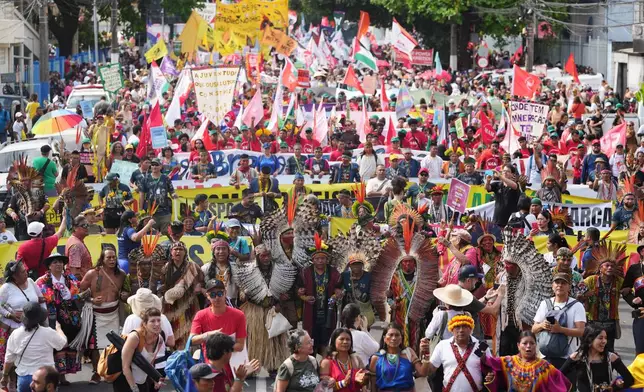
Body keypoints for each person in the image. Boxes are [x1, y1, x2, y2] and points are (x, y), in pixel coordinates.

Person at [79, 245, 127, 384]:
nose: (112, 260)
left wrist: (125, 294)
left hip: (114, 313)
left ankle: (111, 371)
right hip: (96, 314)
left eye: (114, 257)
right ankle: (96, 373)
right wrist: (92, 299)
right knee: (95, 346)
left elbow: (126, 291)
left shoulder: (121, 274)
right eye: (109, 257)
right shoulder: (92, 274)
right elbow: (79, 293)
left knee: (114, 344)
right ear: (102, 259)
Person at [34, 253, 82, 385]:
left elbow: (77, 292)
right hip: (53, 317)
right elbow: (40, 299)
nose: (58, 264)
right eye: (55, 262)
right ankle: (53, 377)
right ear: (49, 266)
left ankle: (63, 376)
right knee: (55, 345)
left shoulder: (69, 277)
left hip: (71, 317)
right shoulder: (42, 281)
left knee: (68, 344)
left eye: (60, 262)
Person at [0, 303, 66, 392]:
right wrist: (58, 329)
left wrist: (5, 376)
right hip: (45, 379)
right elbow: (62, 343)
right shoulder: (48, 332)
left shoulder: (15, 334)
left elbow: (9, 359)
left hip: (24, 377)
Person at [0, 260, 46, 387]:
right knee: (13, 355)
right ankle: (12, 383)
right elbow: (0, 306)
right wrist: (10, 315)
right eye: (23, 272)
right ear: (15, 276)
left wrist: (43, 315)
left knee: (30, 355)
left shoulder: (31, 282)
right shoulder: (6, 288)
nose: (27, 273)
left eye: (26, 270)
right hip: (12, 327)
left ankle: (33, 383)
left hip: (33, 325)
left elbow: (41, 299)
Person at [482, 331, 572, 392]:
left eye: (532, 343)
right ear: (518, 345)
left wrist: (571, 361)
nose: (528, 346)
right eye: (525, 343)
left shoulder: (544, 367)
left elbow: (560, 381)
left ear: (536, 345)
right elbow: (490, 362)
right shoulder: (508, 362)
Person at [578, 241, 626, 353]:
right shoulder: (591, 280)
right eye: (607, 265)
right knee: (589, 350)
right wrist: (584, 295)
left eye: (612, 266)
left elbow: (629, 289)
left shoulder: (619, 281)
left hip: (611, 322)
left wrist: (629, 292)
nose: (610, 268)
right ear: (600, 268)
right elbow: (577, 292)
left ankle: (607, 370)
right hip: (593, 321)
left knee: (608, 352)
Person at [532, 273, 586, 369]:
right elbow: (533, 329)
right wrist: (542, 325)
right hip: (545, 357)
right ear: (552, 286)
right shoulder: (545, 304)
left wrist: (560, 329)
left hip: (568, 358)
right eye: (557, 282)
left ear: (569, 287)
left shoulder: (577, 306)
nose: (559, 285)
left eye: (563, 283)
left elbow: (581, 332)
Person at [298, 236, 341, 356]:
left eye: (323, 258)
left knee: (327, 340)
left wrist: (336, 294)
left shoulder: (334, 272)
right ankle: (311, 364)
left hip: (328, 311)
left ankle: (325, 367)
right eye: (317, 258)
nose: (320, 261)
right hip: (311, 312)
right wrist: (304, 297)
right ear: (313, 259)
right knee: (310, 339)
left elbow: (339, 288)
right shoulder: (305, 272)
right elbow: (298, 290)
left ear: (327, 259)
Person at [560, 324, 635, 391]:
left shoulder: (611, 358)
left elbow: (629, 380)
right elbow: (558, 376)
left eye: (605, 338)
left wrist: (616, 386)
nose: (604, 341)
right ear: (590, 339)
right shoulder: (577, 357)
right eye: (600, 338)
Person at [426, 314, 490, 392]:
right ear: (452, 329)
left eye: (465, 326)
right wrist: (424, 354)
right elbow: (430, 369)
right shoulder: (442, 345)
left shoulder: (481, 346)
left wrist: (490, 374)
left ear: (470, 329)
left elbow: (491, 369)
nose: (461, 330)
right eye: (457, 327)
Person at [160, 241, 204, 349]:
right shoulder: (166, 268)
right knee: (173, 330)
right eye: (175, 249)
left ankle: (188, 353)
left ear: (185, 253)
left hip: (189, 303)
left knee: (188, 331)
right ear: (171, 252)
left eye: (181, 249)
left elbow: (202, 281)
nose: (178, 251)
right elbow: (162, 284)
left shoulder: (192, 266)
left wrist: (198, 285)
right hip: (171, 305)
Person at [123, 289, 175, 372]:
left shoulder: (131, 319)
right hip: (159, 365)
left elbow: (124, 342)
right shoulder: (162, 318)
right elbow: (171, 342)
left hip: (138, 365)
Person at [369, 324, 431, 391]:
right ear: (384, 338)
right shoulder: (376, 358)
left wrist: (425, 355)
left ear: (401, 339)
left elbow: (422, 372)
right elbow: (373, 386)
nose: (394, 338)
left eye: (397, 335)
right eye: (391, 335)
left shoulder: (408, 353)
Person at [116, 308, 166, 392]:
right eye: (152, 321)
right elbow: (125, 367)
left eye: (158, 320)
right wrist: (134, 388)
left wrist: (155, 380)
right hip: (126, 381)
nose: (157, 324)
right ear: (144, 324)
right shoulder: (135, 337)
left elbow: (150, 364)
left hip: (142, 381)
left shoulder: (159, 339)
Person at [139, 158, 179, 233]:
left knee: (166, 233)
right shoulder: (145, 179)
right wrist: (140, 209)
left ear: (161, 166)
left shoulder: (166, 178)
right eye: (153, 165)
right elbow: (141, 195)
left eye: (156, 165)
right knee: (151, 234)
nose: (154, 167)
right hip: (150, 213)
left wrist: (174, 194)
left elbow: (171, 191)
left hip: (165, 212)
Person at [622, 246, 644, 354]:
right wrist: (633, 300)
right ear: (642, 252)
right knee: (641, 351)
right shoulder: (634, 269)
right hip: (641, 314)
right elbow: (625, 290)